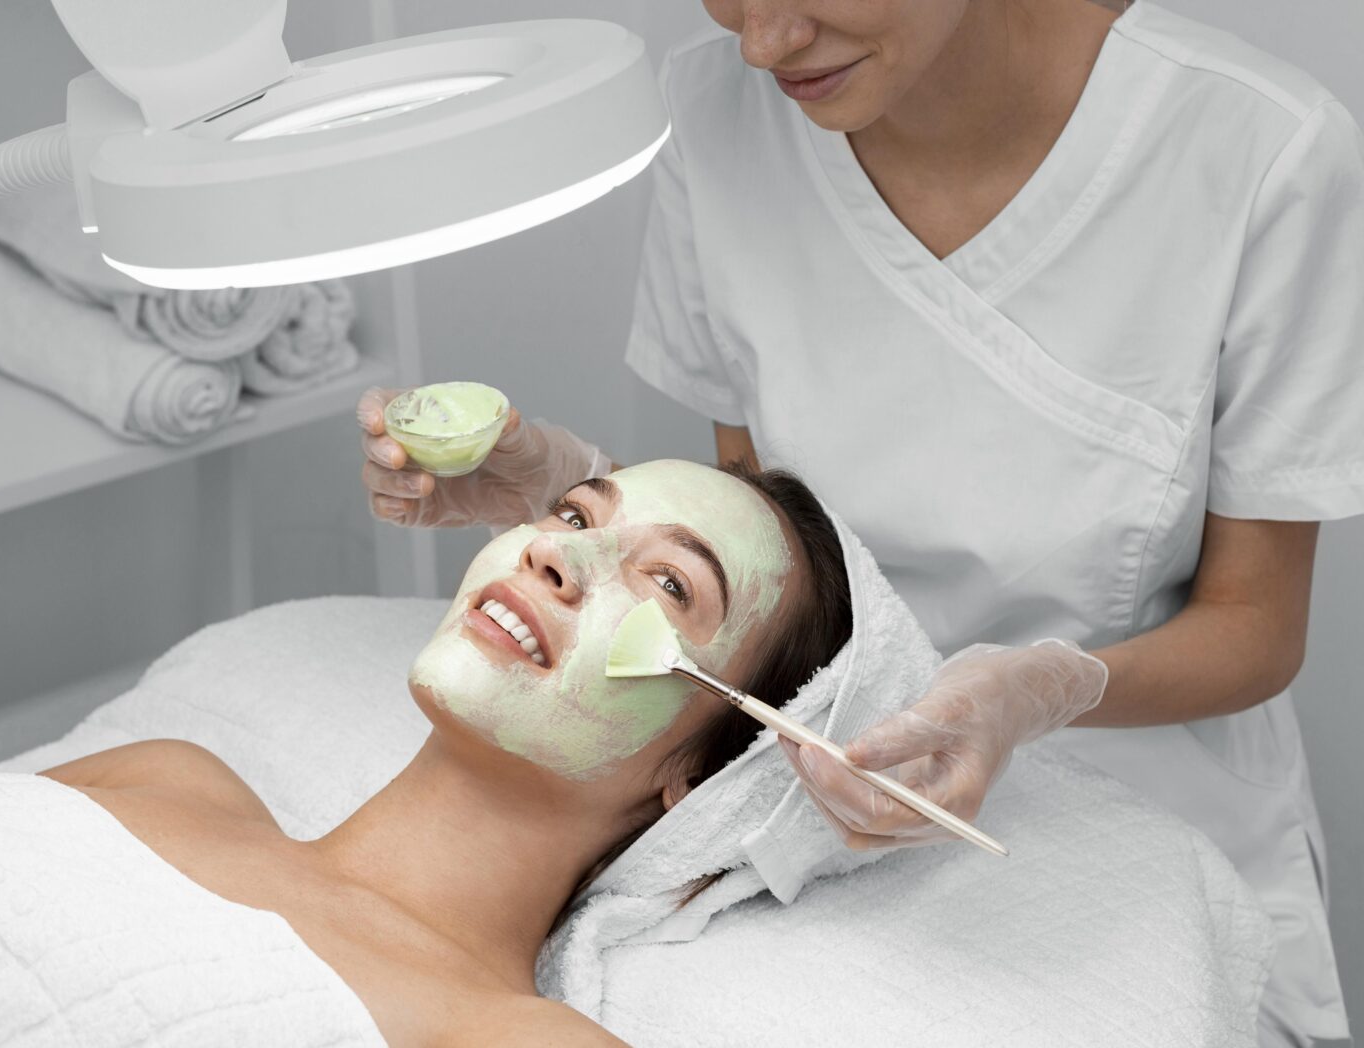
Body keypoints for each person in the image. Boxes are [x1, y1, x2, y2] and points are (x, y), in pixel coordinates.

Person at [356, 1, 1364, 1042]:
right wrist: (581, 495)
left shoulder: (1259, 152)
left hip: (1147, 827)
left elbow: (1256, 622)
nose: (763, 45)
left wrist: (1040, 686)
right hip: (815, 815)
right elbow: (770, 564)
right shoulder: (717, 111)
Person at [42, 460, 854, 1046]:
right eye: (575, 515)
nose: (558, 554)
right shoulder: (158, 778)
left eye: (670, 583)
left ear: (702, 775)